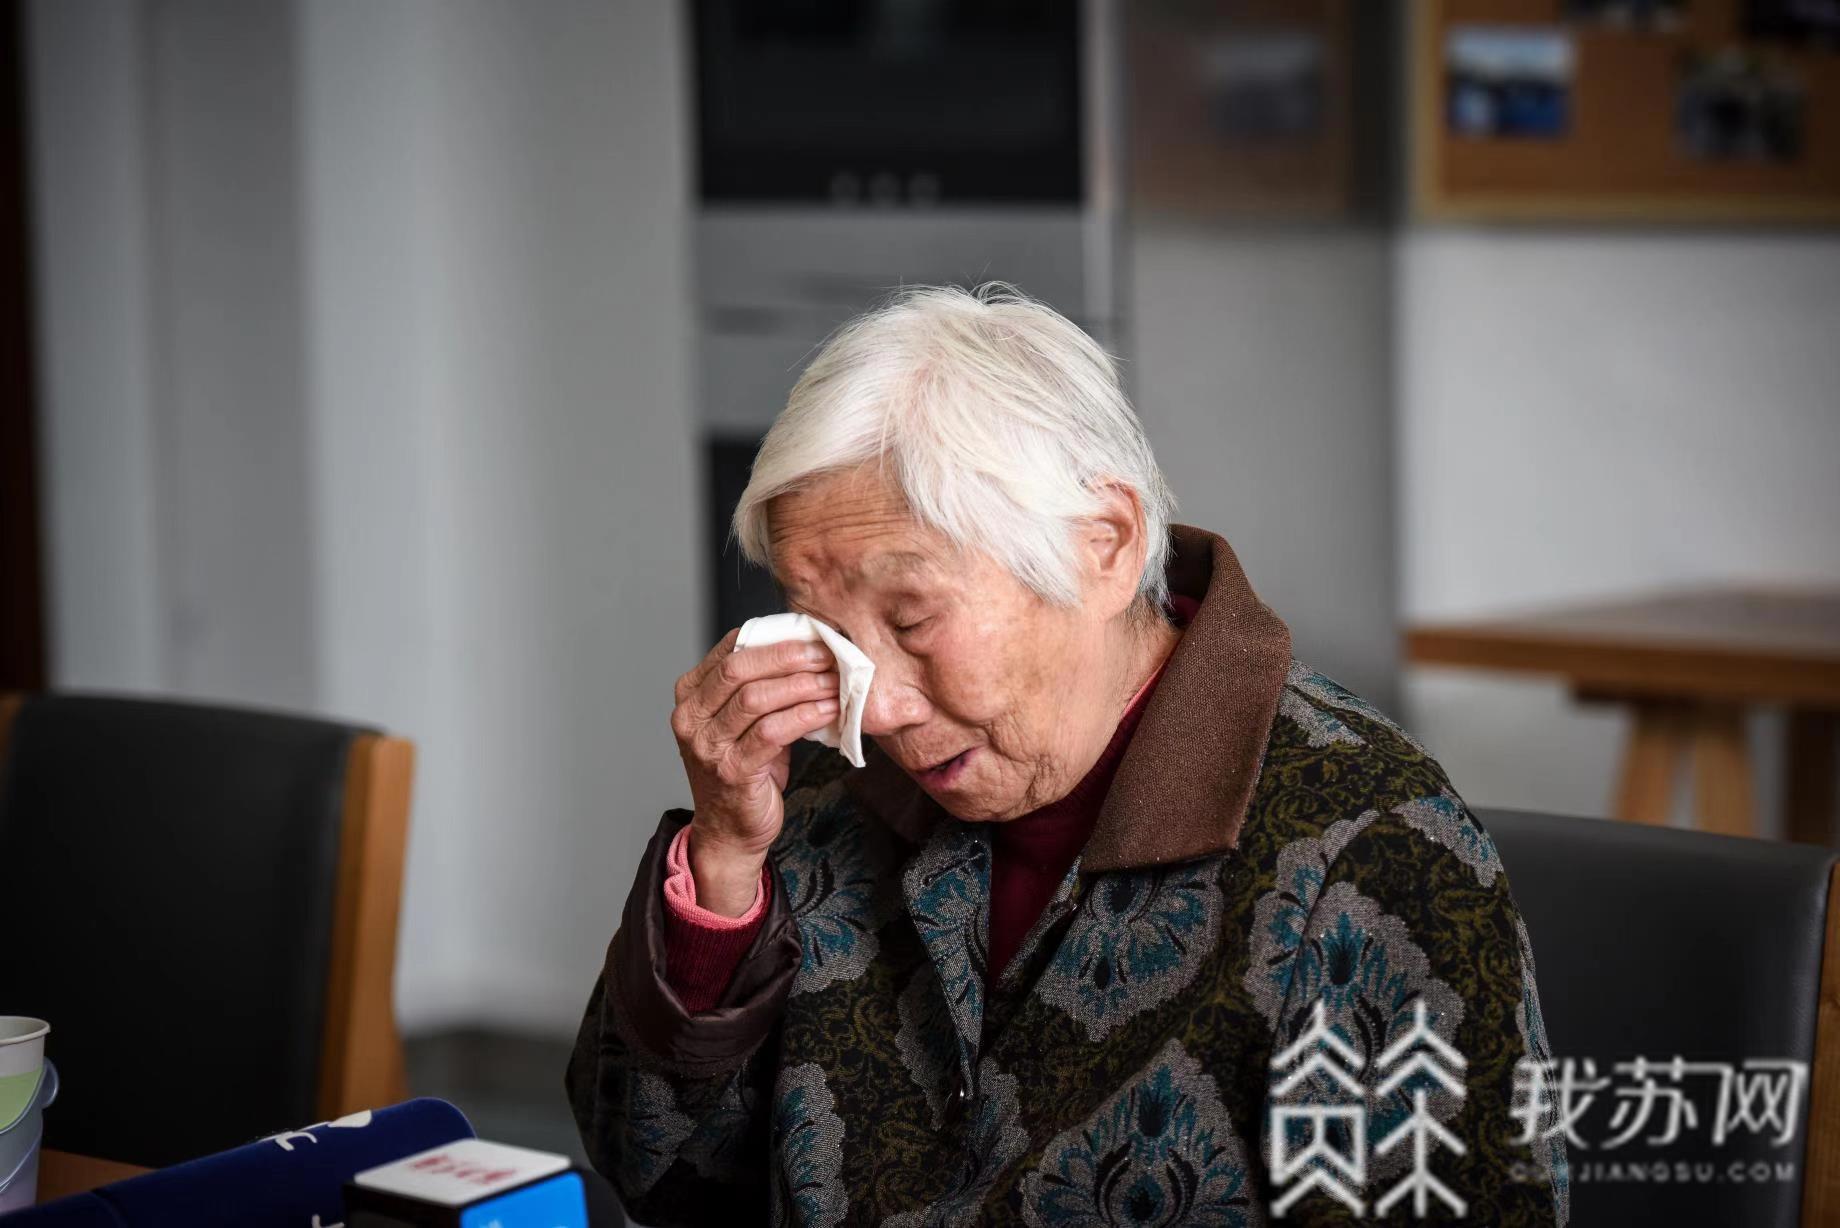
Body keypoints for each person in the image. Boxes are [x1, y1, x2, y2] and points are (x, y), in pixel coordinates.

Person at [565, 284, 1568, 1225]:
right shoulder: (821, 782)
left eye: (912, 616)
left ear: (1105, 543)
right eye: (824, 630)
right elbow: (659, 1182)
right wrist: (726, 868)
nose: (873, 706)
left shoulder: (1369, 853)